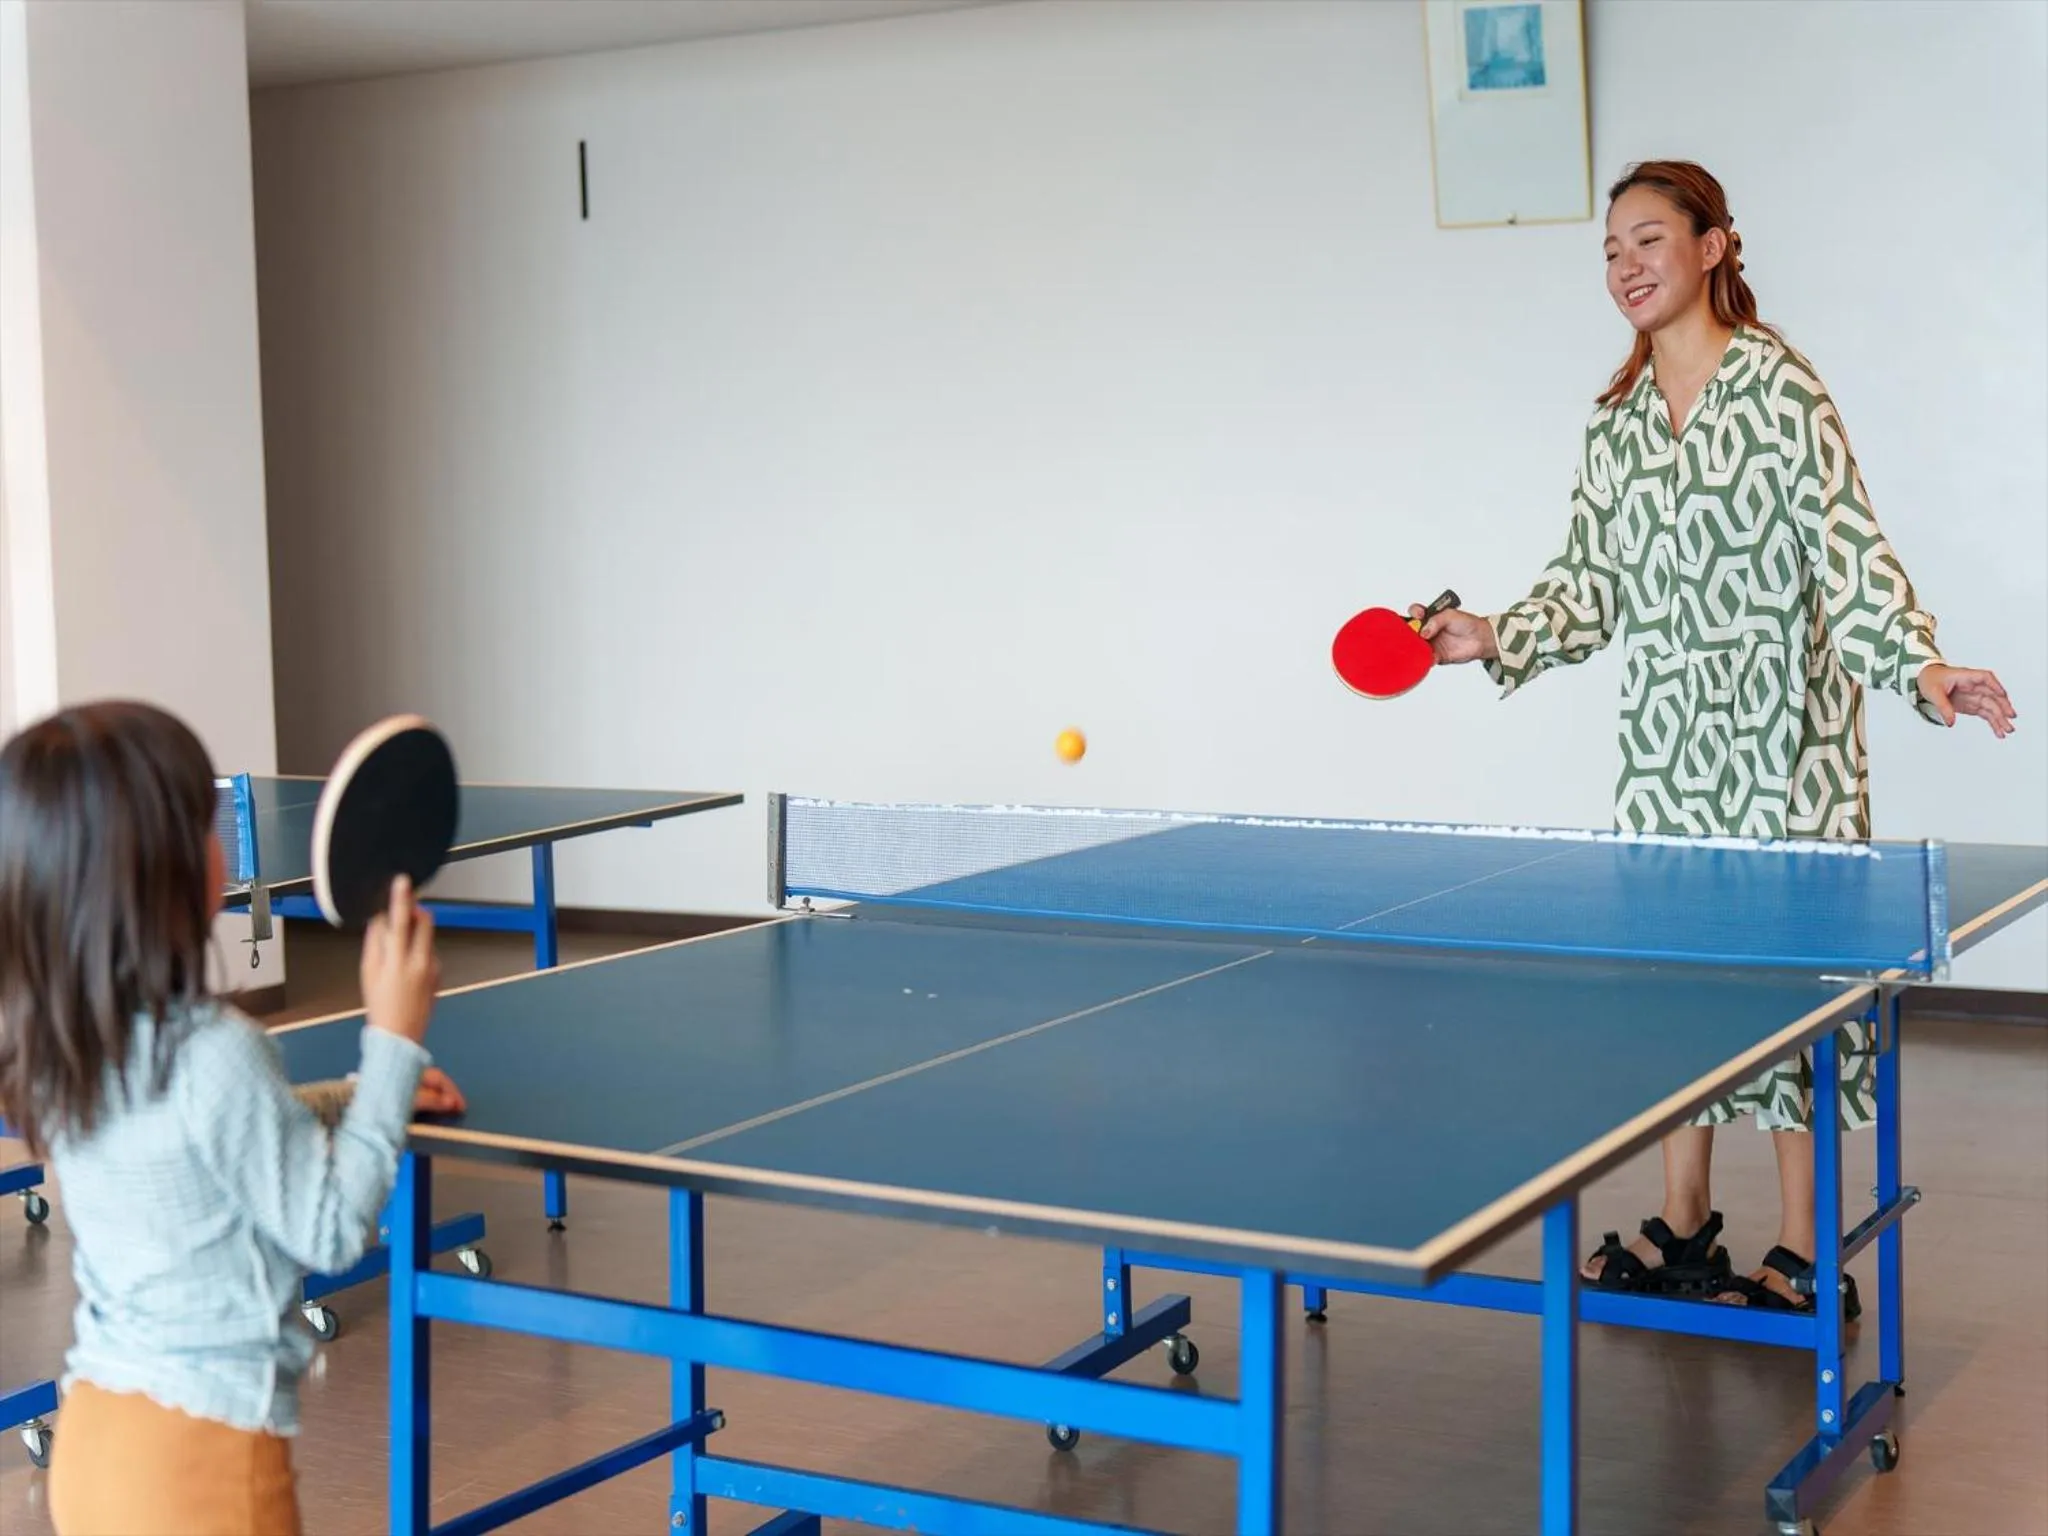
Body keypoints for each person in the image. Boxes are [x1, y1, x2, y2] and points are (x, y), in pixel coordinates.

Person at [1414, 160, 2017, 1312]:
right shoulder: (1617, 427)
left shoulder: (1781, 393)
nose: (1623, 265)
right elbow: (1589, 584)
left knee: (1790, 996)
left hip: (1788, 746)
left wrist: (1919, 666)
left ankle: (1801, 1245)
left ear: (1712, 247)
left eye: (1646, 239)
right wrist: (1492, 634)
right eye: (1607, 250)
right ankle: (1681, 1224)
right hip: (1667, 754)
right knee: (1675, 991)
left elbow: (1849, 555)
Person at [0, 700, 466, 1534]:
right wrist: (394, 1040)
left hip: (97, 1447)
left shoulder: (62, 1047)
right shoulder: (217, 1049)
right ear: (163, 867)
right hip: (201, 1468)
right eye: (201, 820)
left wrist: (360, 1098)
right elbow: (329, 1230)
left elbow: (202, 1146)